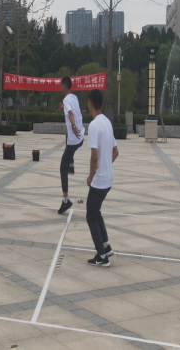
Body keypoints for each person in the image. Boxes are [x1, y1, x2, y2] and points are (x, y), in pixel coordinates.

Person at [85, 89, 118, 268]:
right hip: (108, 179)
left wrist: (91, 176)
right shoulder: (107, 122)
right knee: (96, 211)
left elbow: (94, 156)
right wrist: (106, 166)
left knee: (90, 215)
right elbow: (115, 151)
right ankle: (106, 245)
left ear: (90, 103)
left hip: (99, 181)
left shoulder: (94, 125)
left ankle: (102, 255)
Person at [58, 77, 84, 214]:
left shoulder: (66, 99)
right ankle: (71, 163)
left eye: (61, 86)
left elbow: (70, 113)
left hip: (74, 139)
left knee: (62, 167)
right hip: (81, 137)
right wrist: (64, 108)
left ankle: (65, 201)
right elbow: (70, 109)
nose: (60, 88)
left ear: (64, 86)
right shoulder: (74, 98)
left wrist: (73, 126)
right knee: (67, 136)